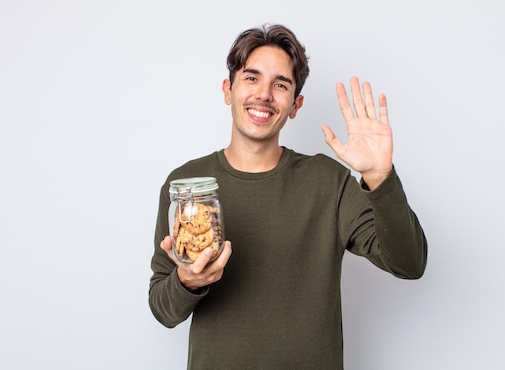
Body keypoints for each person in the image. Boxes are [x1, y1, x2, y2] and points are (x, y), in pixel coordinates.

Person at [149, 23, 427, 369]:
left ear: (295, 105)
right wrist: (186, 282)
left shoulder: (328, 181)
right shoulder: (187, 187)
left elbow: (409, 263)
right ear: (228, 89)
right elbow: (163, 310)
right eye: (251, 78)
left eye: (280, 85)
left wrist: (379, 176)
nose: (264, 94)